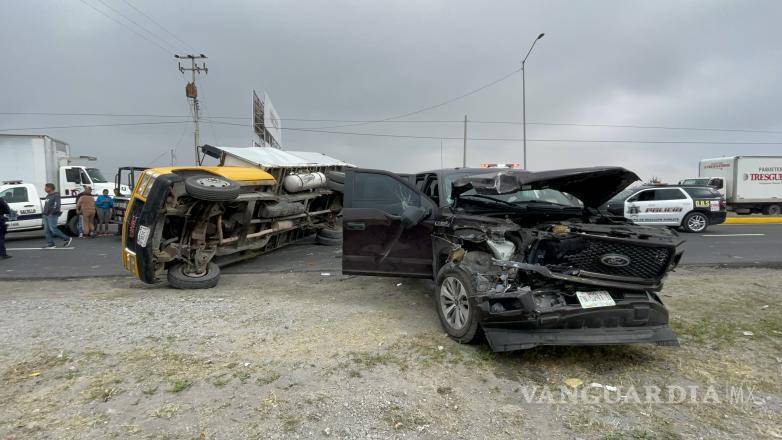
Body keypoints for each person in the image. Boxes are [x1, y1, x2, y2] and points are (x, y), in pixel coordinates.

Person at [43, 183, 72, 248]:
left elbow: (56, 205)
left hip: (52, 215)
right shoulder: (48, 196)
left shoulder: (56, 195)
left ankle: (67, 238)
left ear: (50, 188)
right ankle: (51, 244)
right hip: (46, 215)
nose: (44, 189)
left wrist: (51, 213)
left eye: (46, 187)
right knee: (46, 230)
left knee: (53, 229)